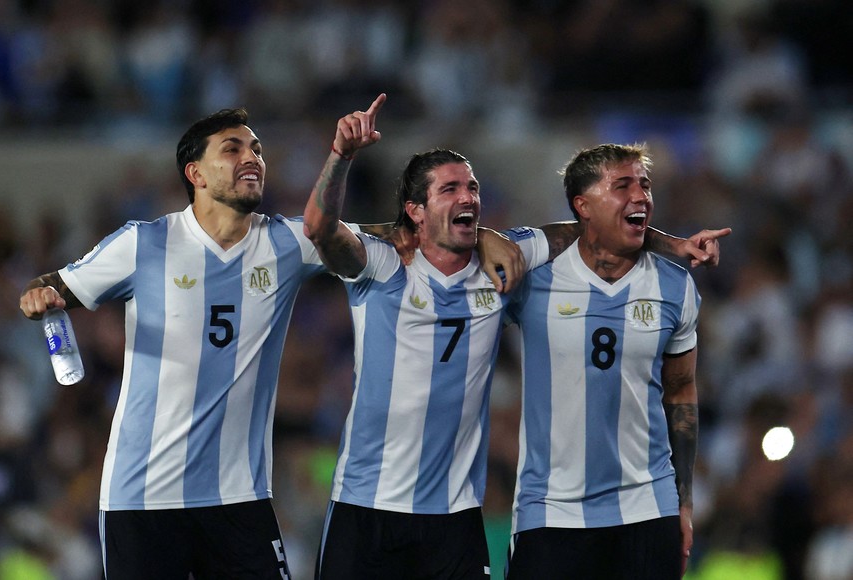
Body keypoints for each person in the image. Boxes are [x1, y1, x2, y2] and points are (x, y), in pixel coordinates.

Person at [302, 95, 726, 579]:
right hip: (365, 503)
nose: (467, 197)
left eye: (473, 187)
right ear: (415, 212)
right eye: (450, 189)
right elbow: (320, 229)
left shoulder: (504, 270)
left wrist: (675, 244)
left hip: (455, 514)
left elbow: (587, 231)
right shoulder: (381, 263)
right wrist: (341, 155)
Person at [18, 108, 319, 579]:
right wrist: (40, 296)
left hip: (238, 497)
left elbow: (374, 244)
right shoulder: (144, 244)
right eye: (233, 148)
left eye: (256, 149)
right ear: (195, 173)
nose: (252, 157)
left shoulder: (288, 241)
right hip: (142, 497)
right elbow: (50, 285)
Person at [505, 143, 718, 579]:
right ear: (582, 205)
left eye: (645, 185)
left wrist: (684, 501)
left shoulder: (675, 287)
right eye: (622, 186)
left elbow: (680, 391)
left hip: (647, 507)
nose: (640, 196)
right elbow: (473, 250)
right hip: (551, 511)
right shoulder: (534, 278)